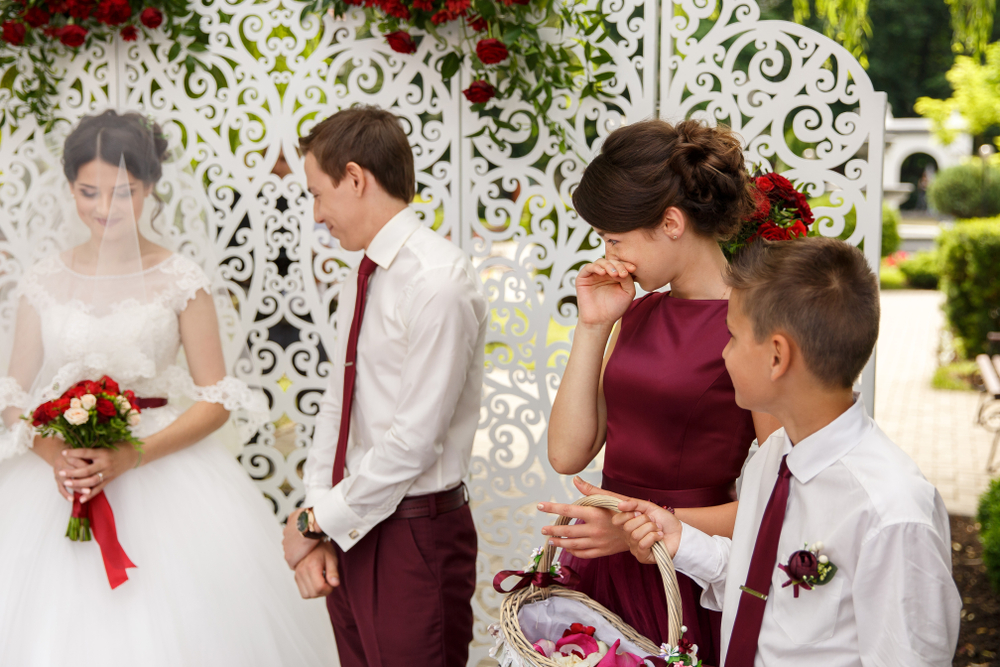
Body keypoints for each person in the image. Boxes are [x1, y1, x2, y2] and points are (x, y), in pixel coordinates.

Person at [0, 110, 338, 665]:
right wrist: (56, 454)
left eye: (123, 193)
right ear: (69, 188)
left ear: (150, 187)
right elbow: (13, 394)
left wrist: (131, 455)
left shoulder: (181, 279)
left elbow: (217, 398)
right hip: (56, 475)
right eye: (89, 192)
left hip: (162, 470)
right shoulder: (43, 281)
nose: (104, 208)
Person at [614, 237, 961, 666]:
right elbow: (762, 582)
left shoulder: (890, 512)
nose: (724, 353)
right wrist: (681, 541)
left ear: (777, 356)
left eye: (733, 337)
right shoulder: (774, 457)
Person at [538, 119, 780, 663]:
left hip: (685, 567)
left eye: (614, 239)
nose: (609, 254)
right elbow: (568, 454)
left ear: (671, 223)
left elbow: (774, 505)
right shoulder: (637, 311)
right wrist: (593, 325)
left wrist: (634, 530)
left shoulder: (753, 327)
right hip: (604, 559)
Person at [281, 106, 488, 667]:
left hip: (415, 538)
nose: (317, 214)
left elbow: (413, 441)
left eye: (318, 195)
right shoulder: (366, 271)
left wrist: (314, 522)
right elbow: (338, 404)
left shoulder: (439, 282)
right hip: (353, 525)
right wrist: (320, 517)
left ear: (354, 178)